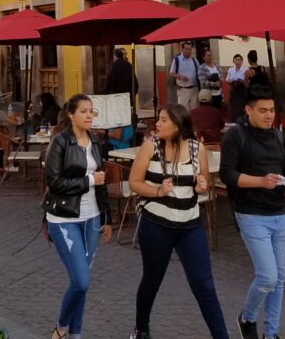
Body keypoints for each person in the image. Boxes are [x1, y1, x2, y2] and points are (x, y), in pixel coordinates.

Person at [126, 104, 228, 339]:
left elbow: (204, 182)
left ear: (178, 125)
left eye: (163, 120)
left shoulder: (197, 148)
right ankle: (141, 329)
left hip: (190, 226)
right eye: (158, 120)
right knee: (152, 280)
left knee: (205, 287)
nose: (157, 124)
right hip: (156, 225)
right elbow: (134, 182)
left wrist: (203, 186)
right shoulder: (150, 146)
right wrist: (158, 192)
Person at [219, 85, 285, 339]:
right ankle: (247, 317)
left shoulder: (278, 136)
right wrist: (260, 181)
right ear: (248, 110)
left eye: (272, 110)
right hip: (251, 213)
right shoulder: (236, 136)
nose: (269, 116)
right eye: (263, 111)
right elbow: (227, 175)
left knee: (279, 277)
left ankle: (271, 333)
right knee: (267, 276)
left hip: (279, 213)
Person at [42, 93, 112, 339]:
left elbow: (102, 182)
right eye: (83, 111)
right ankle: (61, 327)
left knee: (82, 284)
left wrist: (107, 218)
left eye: (91, 111)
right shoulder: (60, 142)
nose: (89, 115)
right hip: (63, 218)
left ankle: (76, 334)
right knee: (80, 281)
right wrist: (89, 180)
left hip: (91, 219)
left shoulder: (95, 141)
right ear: (71, 115)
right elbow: (54, 181)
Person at [167, 41, 200, 113]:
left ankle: (192, 124)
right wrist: (180, 77)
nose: (189, 51)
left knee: (194, 110)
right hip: (183, 90)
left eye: (190, 49)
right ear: (182, 49)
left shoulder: (194, 60)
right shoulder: (177, 60)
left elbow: (199, 72)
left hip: (194, 89)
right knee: (183, 111)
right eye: (187, 49)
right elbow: (172, 73)